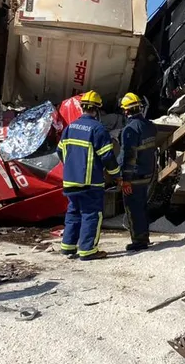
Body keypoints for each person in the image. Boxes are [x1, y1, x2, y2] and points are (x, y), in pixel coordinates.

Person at [58, 91, 120, 261]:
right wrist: (117, 175)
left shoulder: (70, 127)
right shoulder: (98, 129)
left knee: (73, 213)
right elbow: (107, 156)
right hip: (90, 182)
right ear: (97, 110)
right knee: (91, 214)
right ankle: (87, 250)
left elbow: (60, 150)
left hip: (70, 181)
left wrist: (71, 167)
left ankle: (68, 247)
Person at [118, 93, 157, 252]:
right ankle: (144, 236)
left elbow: (129, 156)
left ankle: (139, 241)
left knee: (133, 209)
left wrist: (124, 178)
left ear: (126, 111)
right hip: (147, 174)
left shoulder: (130, 130)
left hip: (133, 177)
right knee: (141, 207)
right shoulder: (150, 126)